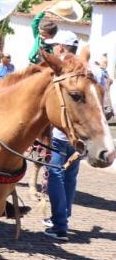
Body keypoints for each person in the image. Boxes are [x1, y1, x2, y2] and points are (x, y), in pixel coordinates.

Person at [42, 30, 85, 241]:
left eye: (54, 46)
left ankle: (60, 223)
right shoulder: (87, 68)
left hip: (60, 134)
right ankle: (63, 217)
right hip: (80, 135)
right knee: (70, 176)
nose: (52, 49)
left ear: (60, 47)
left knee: (55, 174)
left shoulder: (60, 70)